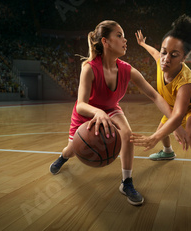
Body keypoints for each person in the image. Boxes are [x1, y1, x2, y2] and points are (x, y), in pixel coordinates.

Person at [49, 20, 172, 206]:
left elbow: (155, 96)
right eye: (120, 35)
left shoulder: (127, 70)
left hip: (111, 109)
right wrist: (97, 112)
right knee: (73, 150)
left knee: (127, 134)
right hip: (87, 113)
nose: (125, 40)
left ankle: (127, 182)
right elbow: (81, 104)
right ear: (105, 42)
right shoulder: (89, 68)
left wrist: (174, 120)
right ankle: (63, 157)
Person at [131, 15, 191, 222]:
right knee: (166, 127)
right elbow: (155, 52)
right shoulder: (161, 59)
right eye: (165, 52)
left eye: (174, 55)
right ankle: (167, 152)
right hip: (175, 106)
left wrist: (154, 137)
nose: (166, 58)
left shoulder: (185, 82)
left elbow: (178, 117)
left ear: (184, 58)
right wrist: (143, 44)